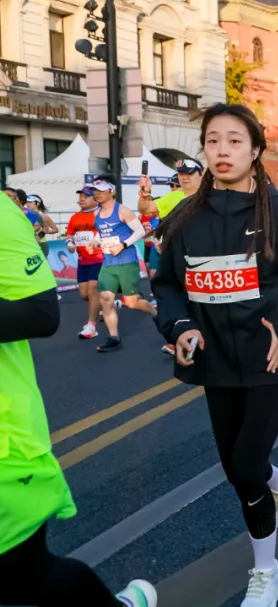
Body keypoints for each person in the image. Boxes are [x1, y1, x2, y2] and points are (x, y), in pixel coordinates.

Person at [153, 103, 278, 607]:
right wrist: (180, 325)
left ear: (255, 151)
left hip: (271, 357)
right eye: (213, 141)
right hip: (215, 360)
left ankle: (267, 572)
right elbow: (167, 284)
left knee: (247, 463)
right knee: (238, 469)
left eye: (235, 141)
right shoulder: (185, 218)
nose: (222, 150)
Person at [0, 195, 159, 607]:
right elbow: (67, 235)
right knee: (98, 296)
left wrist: (131, 240)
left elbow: (41, 313)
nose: (87, 197)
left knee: (21, 577)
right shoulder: (79, 217)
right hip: (97, 265)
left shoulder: (3, 214)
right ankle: (99, 324)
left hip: (5, 441)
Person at [92, 177, 155, 353]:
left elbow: (140, 231)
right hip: (108, 263)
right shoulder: (96, 213)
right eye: (95, 191)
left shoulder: (123, 211)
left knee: (132, 303)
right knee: (106, 298)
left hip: (127, 262)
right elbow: (101, 232)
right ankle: (114, 337)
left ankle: (154, 311)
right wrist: (94, 241)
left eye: (101, 190)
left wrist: (123, 245)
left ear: (111, 191)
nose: (97, 194)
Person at [67, 187, 105, 339]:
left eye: (86, 196)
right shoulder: (75, 217)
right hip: (83, 260)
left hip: (100, 258)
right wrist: (70, 244)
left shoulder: (102, 214)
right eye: (80, 196)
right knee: (84, 294)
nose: (82, 199)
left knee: (93, 289)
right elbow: (70, 235)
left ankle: (91, 326)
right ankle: (107, 304)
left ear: (95, 199)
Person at [138, 159, 204, 220]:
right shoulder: (173, 196)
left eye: (190, 173)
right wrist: (144, 196)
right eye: (181, 174)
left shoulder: (208, 195)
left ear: (202, 174)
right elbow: (145, 209)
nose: (184, 177)